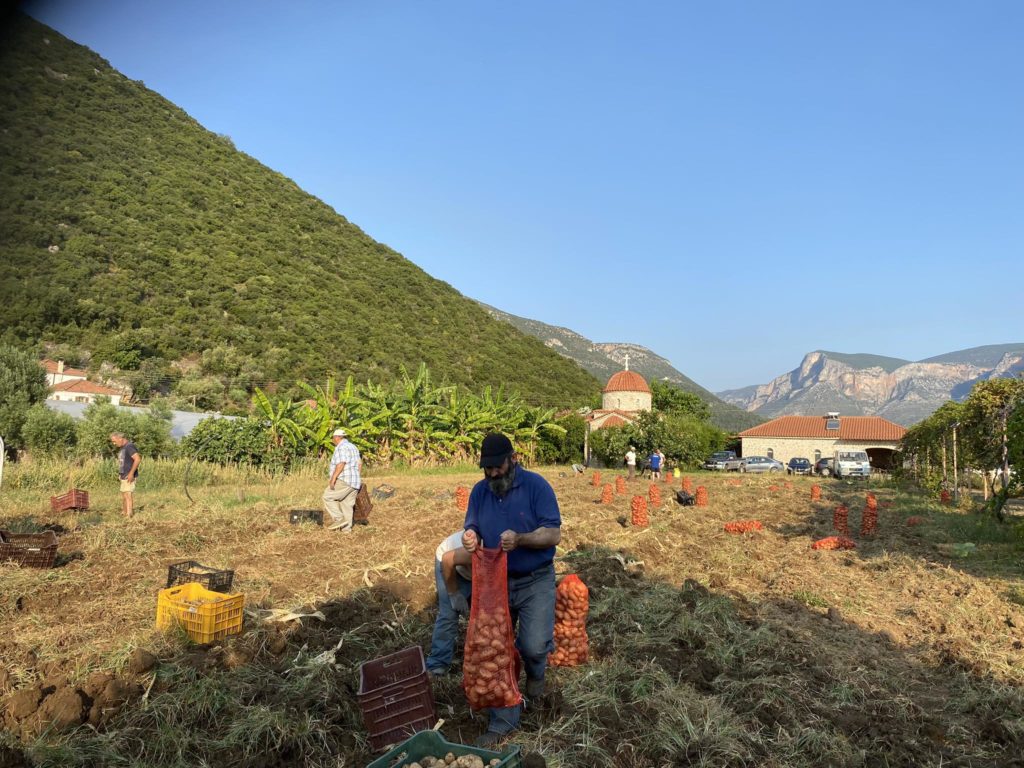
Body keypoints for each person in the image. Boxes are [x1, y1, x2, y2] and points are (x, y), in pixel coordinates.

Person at [462, 432, 561, 747]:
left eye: (497, 467)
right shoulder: (480, 491)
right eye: (487, 468)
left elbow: (553, 534)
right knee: (495, 648)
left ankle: (535, 675)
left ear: (513, 459)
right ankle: (503, 720)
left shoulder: (536, 487)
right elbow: (472, 525)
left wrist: (521, 539)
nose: (492, 474)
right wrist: (470, 536)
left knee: (533, 646)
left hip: (535, 579)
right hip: (495, 582)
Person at [425, 530, 473, 676]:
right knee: (449, 613)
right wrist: (454, 593)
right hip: (449, 561)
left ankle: (479, 656)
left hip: (472, 571)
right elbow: (448, 559)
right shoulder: (476, 551)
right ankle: (438, 663)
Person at [322, 428, 361, 532]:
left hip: (344, 479)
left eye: (333, 438)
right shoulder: (353, 447)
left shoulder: (341, 447)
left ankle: (339, 519)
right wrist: (358, 477)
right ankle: (346, 530)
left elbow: (341, 463)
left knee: (327, 496)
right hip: (355, 481)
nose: (333, 440)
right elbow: (359, 464)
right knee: (347, 504)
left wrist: (333, 479)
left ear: (337, 437)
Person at [110, 432, 140, 518]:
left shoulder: (129, 446)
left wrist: (131, 474)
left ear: (120, 438)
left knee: (128, 494)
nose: (114, 443)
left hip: (128, 475)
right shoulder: (123, 448)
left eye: (114, 441)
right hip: (123, 475)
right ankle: (124, 512)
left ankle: (129, 515)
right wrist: (120, 473)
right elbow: (124, 462)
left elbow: (137, 459)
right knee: (124, 495)